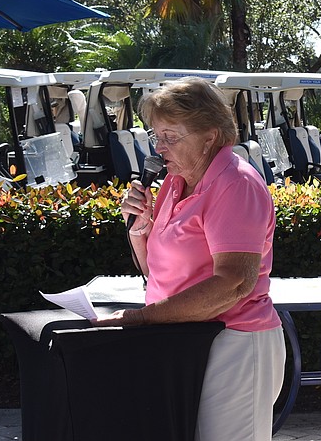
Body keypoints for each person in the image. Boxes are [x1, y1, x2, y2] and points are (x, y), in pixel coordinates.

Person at [93, 76, 285, 441]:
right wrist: (139, 230)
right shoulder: (174, 182)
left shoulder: (235, 184)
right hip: (184, 340)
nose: (159, 147)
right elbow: (157, 272)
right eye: (156, 136)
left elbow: (234, 284)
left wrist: (141, 318)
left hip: (233, 345)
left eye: (170, 136)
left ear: (209, 137)